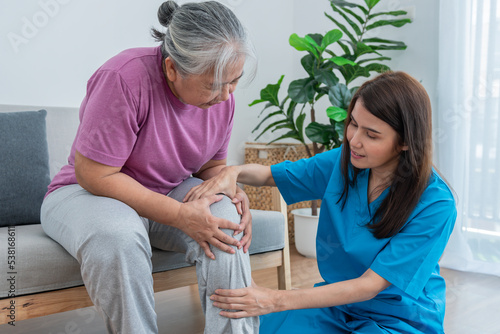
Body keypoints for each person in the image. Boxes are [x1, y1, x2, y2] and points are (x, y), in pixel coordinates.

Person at [40, 1, 259, 333]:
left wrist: (231, 188)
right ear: (172, 69)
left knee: (225, 222)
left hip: (166, 191)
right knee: (119, 236)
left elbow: (211, 166)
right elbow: (94, 174)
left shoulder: (222, 98)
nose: (227, 94)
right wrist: (179, 215)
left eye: (235, 80)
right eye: (214, 84)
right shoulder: (123, 77)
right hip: (87, 192)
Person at [185, 71, 457, 333]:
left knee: (272, 311)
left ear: (405, 143)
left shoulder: (435, 204)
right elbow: (271, 175)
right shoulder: (344, 163)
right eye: (353, 124)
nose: (354, 140)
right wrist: (233, 172)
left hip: (399, 319)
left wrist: (273, 299)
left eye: (371, 135)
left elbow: (371, 285)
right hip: (337, 307)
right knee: (265, 327)